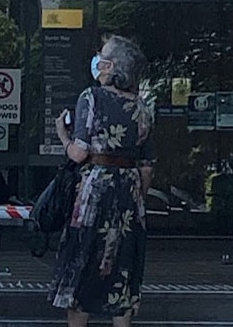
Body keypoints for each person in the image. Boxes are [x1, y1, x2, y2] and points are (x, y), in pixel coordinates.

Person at [49, 35, 155, 327]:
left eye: (103, 57)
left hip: (94, 192)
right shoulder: (143, 108)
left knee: (83, 267)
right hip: (129, 197)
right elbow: (147, 167)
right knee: (123, 274)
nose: (98, 61)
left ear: (112, 66)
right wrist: (136, 197)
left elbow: (80, 152)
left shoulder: (91, 97)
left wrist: (62, 135)